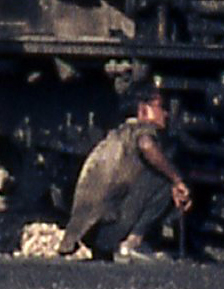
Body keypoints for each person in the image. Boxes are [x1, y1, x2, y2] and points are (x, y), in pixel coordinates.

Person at [59, 80, 193, 260]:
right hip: (109, 227)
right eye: (161, 107)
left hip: (91, 232)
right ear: (143, 109)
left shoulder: (118, 134)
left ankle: (109, 247)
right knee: (165, 175)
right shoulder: (141, 130)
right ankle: (132, 242)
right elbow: (146, 145)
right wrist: (177, 180)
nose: (166, 114)